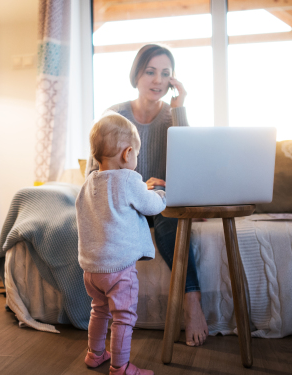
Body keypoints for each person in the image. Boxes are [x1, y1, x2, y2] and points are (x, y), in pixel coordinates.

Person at [86, 44, 209, 347]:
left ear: (173, 80)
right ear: (137, 75)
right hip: (122, 204)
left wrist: (180, 108)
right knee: (157, 209)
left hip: (159, 203)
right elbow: (93, 174)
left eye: (165, 73)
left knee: (168, 217)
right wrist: (136, 186)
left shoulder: (172, 115)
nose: (158, 80)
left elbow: (192, 167)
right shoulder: (114, 115)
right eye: (150, 71)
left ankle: (192, 301)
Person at [76, 113, 165, 375]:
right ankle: (121, 368)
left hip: (92, 269)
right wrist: (161, 193)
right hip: (119, 269)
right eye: (136, 154)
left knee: (99, 309)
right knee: (124, 317)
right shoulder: (128, 180)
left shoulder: (88, 182)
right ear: (127, 154)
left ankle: (95, 354)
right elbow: (152, 206)